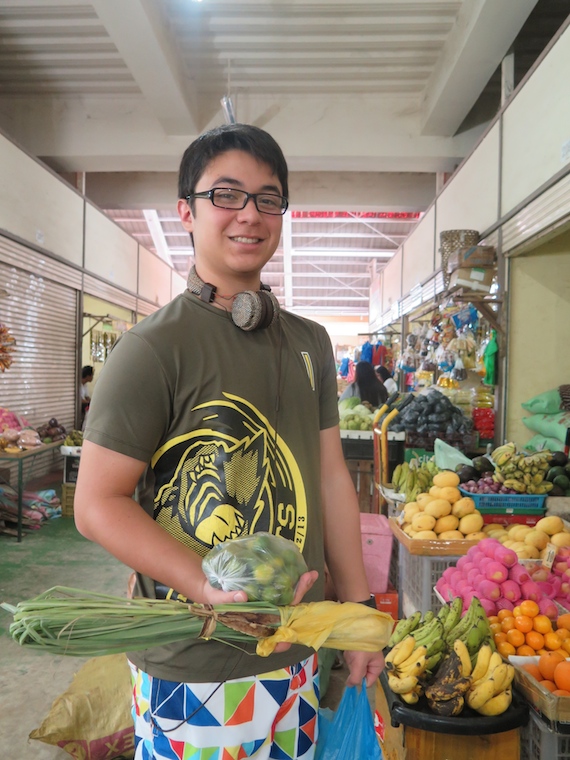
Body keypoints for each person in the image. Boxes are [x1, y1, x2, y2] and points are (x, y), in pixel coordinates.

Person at [74, 123, 383, 760]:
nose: (250, 214)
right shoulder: (152, 350)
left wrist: (357, 615)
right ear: (186, 211)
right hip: (193, 660)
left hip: (298, 644)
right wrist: (201, 583)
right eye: (227, 195)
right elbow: (97, 503)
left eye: (268, 199)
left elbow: (330, 480)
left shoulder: (309, 342)